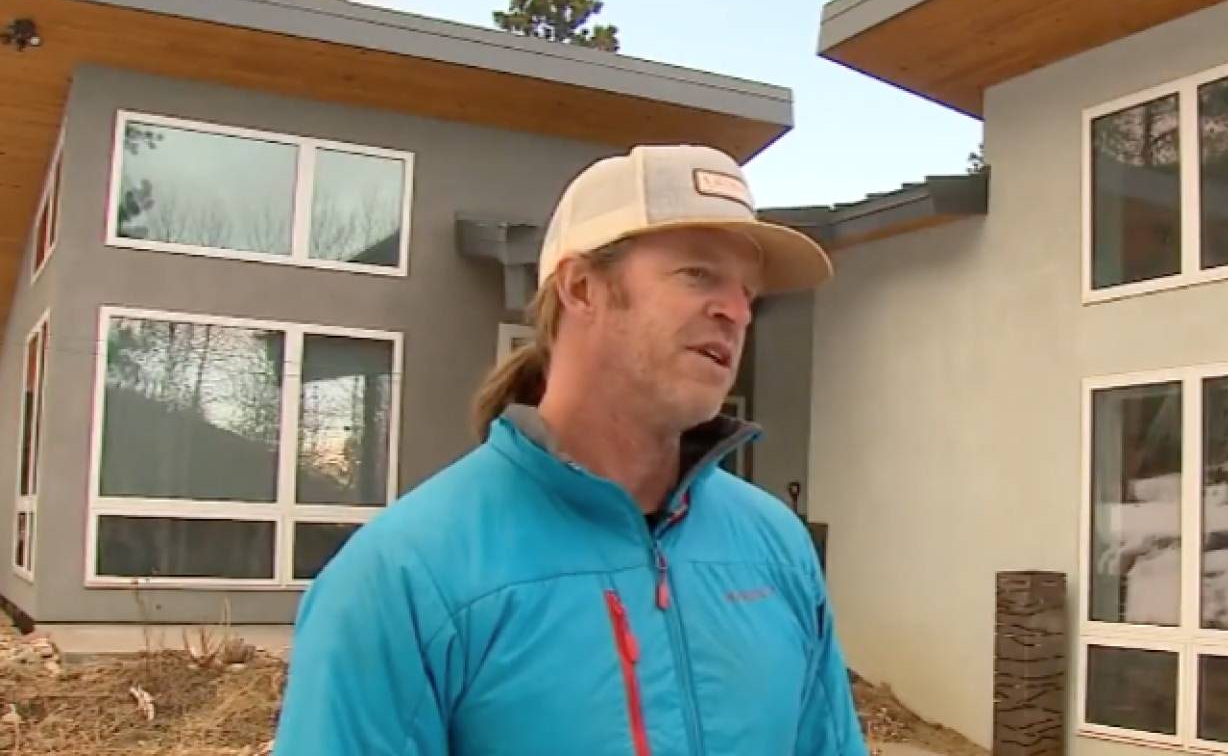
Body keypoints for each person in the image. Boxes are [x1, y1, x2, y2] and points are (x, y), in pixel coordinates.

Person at [274, 145, 867, 755]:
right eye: (699, 273)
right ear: (582, 287)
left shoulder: (778, 549)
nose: (737, 311)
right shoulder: (402, 577)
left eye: (749, 293)